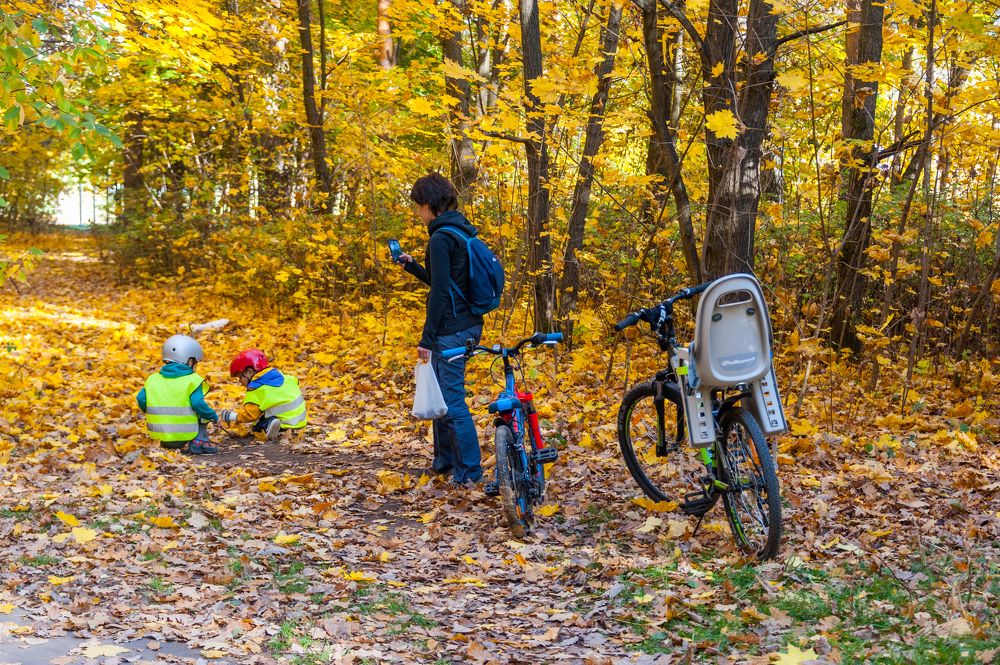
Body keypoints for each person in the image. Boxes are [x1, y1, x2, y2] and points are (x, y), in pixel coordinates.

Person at [396, 173, 484, 486]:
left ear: (430, 204)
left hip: (452, 330)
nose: (418, 213)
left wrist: (427, 339)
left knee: (451, 399)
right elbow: (443, 283)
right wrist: (413, 267)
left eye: (419, 206)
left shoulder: (440, 238)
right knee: (443, 395)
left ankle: (469, 473)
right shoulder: (459, 231)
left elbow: (440, 294)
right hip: (469, 324)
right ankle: (446, 461)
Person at [137, 334, 219, 454]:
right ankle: (199, 441)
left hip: (158, 436)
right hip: (185, 435)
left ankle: (166, 444)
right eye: (195, 362)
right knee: (203, 412)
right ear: (189, 361)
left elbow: (141, 399)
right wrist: (213, 416)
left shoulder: (153, 379)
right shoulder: (192, 380)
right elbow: (197, 403)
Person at [218, 349, 307, 440]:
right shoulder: (286, 377)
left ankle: (269, 425)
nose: (240, 381)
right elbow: (296, 381)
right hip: (301, 422)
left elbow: (250, 415)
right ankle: (275, 423)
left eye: (240, 377)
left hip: (284, 424)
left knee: (256, 426)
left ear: (249, 372)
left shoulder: (256, 389)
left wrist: (232, 416)